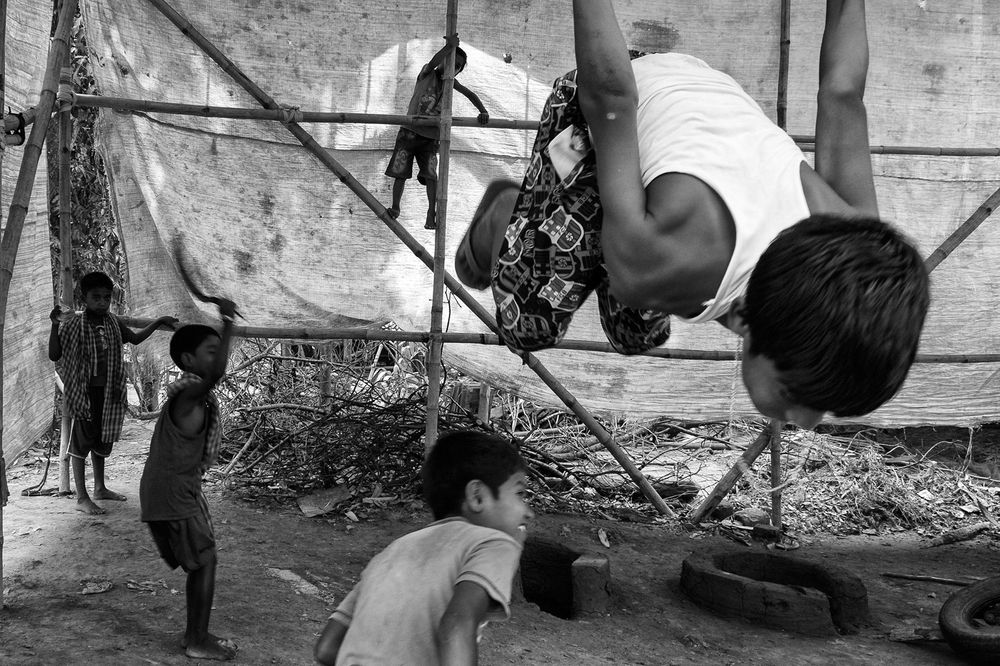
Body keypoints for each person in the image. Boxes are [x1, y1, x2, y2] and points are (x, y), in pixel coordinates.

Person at [456, 0, 929, 430]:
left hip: (692, 122)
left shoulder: (856, 236)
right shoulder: (661, 259)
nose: (805, 423)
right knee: (531, 322)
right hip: (605, 107)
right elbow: (610, 101)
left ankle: (573, 224)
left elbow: (843, 92)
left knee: (636, 333)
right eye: (796, 395)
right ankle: (508, 218)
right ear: (751, 326)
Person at [313, 430, 532, 665]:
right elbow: (457, 626)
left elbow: (326, 649)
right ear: (477, 496)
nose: (528, 513)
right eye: (520, 493)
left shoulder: (393, 551)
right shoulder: (492, 544)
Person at [139, 300, 238, 661]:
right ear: (188, 360)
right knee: (205, 561)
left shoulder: (193, 397)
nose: (216, 358)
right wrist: (227, 323)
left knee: (202, 561)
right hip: (173, 491)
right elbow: (216, 375)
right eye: (209, 352)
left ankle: (195, 635)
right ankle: (196, 639)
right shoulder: (188, 396)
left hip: (175, 489)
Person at [48, 271, 178, 515]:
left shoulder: (113, 322)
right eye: (96, 297)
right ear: (84, 298)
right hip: (82, 395)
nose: (102, 302)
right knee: (80, 444)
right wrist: (55, 326)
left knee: (101, 440)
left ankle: (100, 488)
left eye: (106, 297)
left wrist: (159, 321)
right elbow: (54, 355)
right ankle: (82, 497)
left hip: (108, 395)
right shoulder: (74, 323)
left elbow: (136, 338)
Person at [386, 35, 490, 229]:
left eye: (458, 66)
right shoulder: (428, 73)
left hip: (431, 137)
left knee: (431, 175)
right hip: (410, 131)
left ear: (458, 72)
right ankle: (395, 206)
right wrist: (448, 47)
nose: (453, 67)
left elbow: (470, 94)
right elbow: (434, 61)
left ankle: (430, 213)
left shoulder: (451, 84)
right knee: (401, 172)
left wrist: (482, 111)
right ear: (443, 60)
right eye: (450, 62)